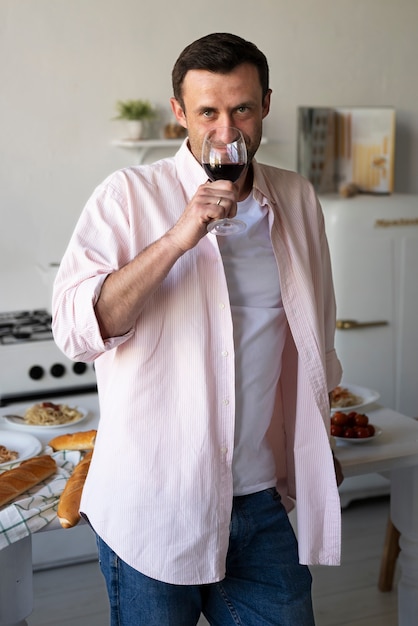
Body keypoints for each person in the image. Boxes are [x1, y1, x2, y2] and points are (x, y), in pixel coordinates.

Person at [52, 32, 343, 626]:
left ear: (265, 103)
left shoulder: (297, 198)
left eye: (241, 108)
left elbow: (317, 338)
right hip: (153, 503)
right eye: (207, 111)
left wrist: (318, 436)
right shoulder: (127, 196)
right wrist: (179, 237)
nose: (226, 131)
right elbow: (79, 333)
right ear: (179, 113)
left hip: (259, 502)